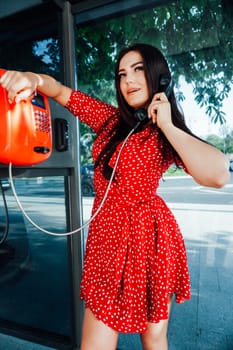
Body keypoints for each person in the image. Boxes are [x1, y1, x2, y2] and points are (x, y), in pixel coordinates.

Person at [0, 43, 230, 350]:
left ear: (159, 77)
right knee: (95, 341)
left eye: (137, 70)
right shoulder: (109, 121)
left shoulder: (166, 132)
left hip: (150, 239)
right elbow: (63, 93)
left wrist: (167, 124)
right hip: (106, 240)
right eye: (122, 74)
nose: (128, 81)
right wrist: (34, 79)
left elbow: (217, 174)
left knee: (154, 337)